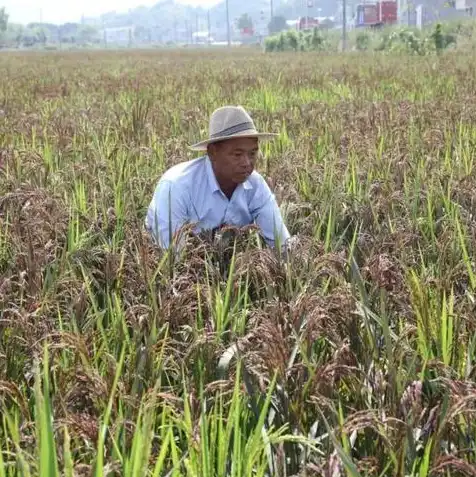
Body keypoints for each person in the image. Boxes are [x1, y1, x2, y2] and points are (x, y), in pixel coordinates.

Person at [145, 105, 292, 253]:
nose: (247, 163)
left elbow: (282, 244)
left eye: (252, 153)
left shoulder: (256, 186)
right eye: (237, 154)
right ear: (212, 152)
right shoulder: (176, 187)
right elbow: (171, 259)